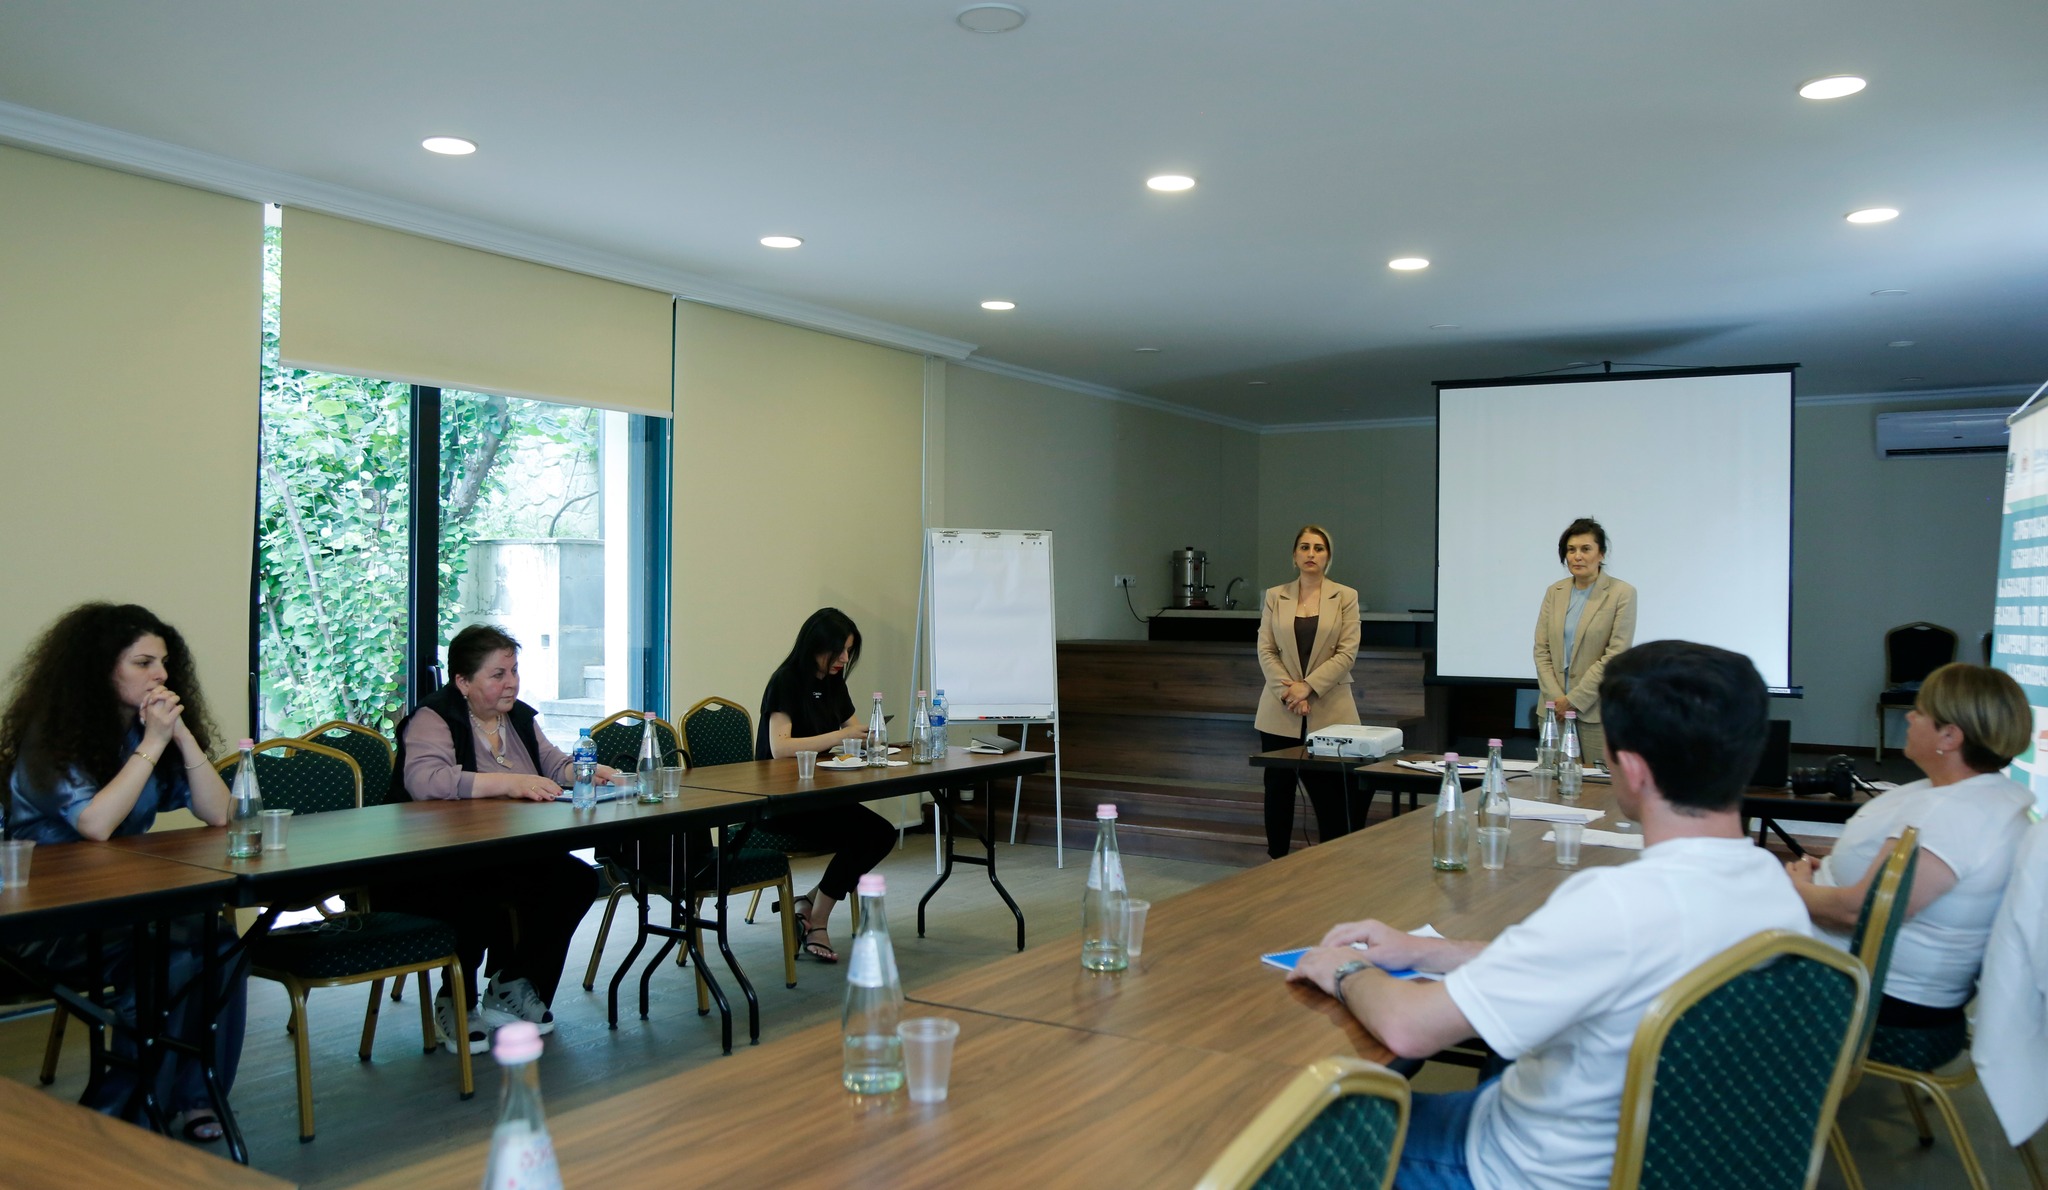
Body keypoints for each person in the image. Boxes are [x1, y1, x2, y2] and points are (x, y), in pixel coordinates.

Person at [1287, 641, 1809, 1190]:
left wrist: (1345, 969)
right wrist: (1428, 951)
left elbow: (1409, 1027)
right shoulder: (1775, 889)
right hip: (1676, 1160)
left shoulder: (1616, 906)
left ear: (1632, 769)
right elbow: (1583, 962)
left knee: (1288, 1136)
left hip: (1520, 1170)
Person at [0, 602, 244, 1141]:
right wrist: (155, 743)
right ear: (100, 669)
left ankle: (197, 1097)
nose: (161, 675)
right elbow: (95, 824)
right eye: (143, 663)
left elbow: (220, 813)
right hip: (46, 919)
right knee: (171, 953)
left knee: (220, 942)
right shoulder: (50, 742)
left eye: (164, 663)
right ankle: (129, 1111)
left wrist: (182, 737)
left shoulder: (143, 733)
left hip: (121, 905)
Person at [376, 623, 610, 1054]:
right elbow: (425, 780)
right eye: (498, 674)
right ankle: (456, 1000)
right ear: (463, 682)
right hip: (432, 862)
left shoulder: (516, 717)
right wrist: (509, 783)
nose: (511, 683)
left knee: (575, 880)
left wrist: (586, 771)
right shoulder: (434, 717)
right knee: (473, 889)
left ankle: (513, 983)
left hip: (507, 851)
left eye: (514, 671)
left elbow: (551, 763)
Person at [1786, 662, 2032, 1028]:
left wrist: (1795, 889)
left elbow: (1859, 913)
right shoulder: (1984, 794)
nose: (1909, 717)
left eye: (1920, 711)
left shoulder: (1951, 813)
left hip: (1873, 994)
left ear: (1949, 736)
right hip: (1866, 977)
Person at [756, 607, 900, 963]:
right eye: (838, 652)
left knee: (881, 834)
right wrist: (840, 736)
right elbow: (779, 748)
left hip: (818, 795)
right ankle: (817, 920)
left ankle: (810, 904)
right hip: (782, 803)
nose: (844, 660)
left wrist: (870, 738)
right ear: (815, 646)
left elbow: (853, 729)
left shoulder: (834, 682)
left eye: (848, 651)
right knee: (868, 835)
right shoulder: (786, 681)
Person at [1254, 525, 1363, 858]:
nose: (1311, 554)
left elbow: (1347, 652)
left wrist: (1308, 688)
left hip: (1330, 706)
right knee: (1278, 788)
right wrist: (1291, 692)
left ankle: (1333, 863)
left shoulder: (1345, 596)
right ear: (1294, 555)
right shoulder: (1275, 596)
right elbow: (1265, 649)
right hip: (1281, 707)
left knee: (1331, 791)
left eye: (1318, 548)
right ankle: (1277, 860)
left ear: (1328, 556)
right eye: (1304, 547)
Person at [1532, 517, 1636, 765]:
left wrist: (1574, 700)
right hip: (1553, 710)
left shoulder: (1622, 593)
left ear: (1601, 553)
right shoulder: (1554, 592)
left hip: (1595, 711)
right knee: (1554, 781)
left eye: (1585, 549)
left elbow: (1615, 655)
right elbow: (1541, 650)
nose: (1577, 556)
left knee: (1597, 784)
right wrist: (1557, 700)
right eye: (1571, 550)